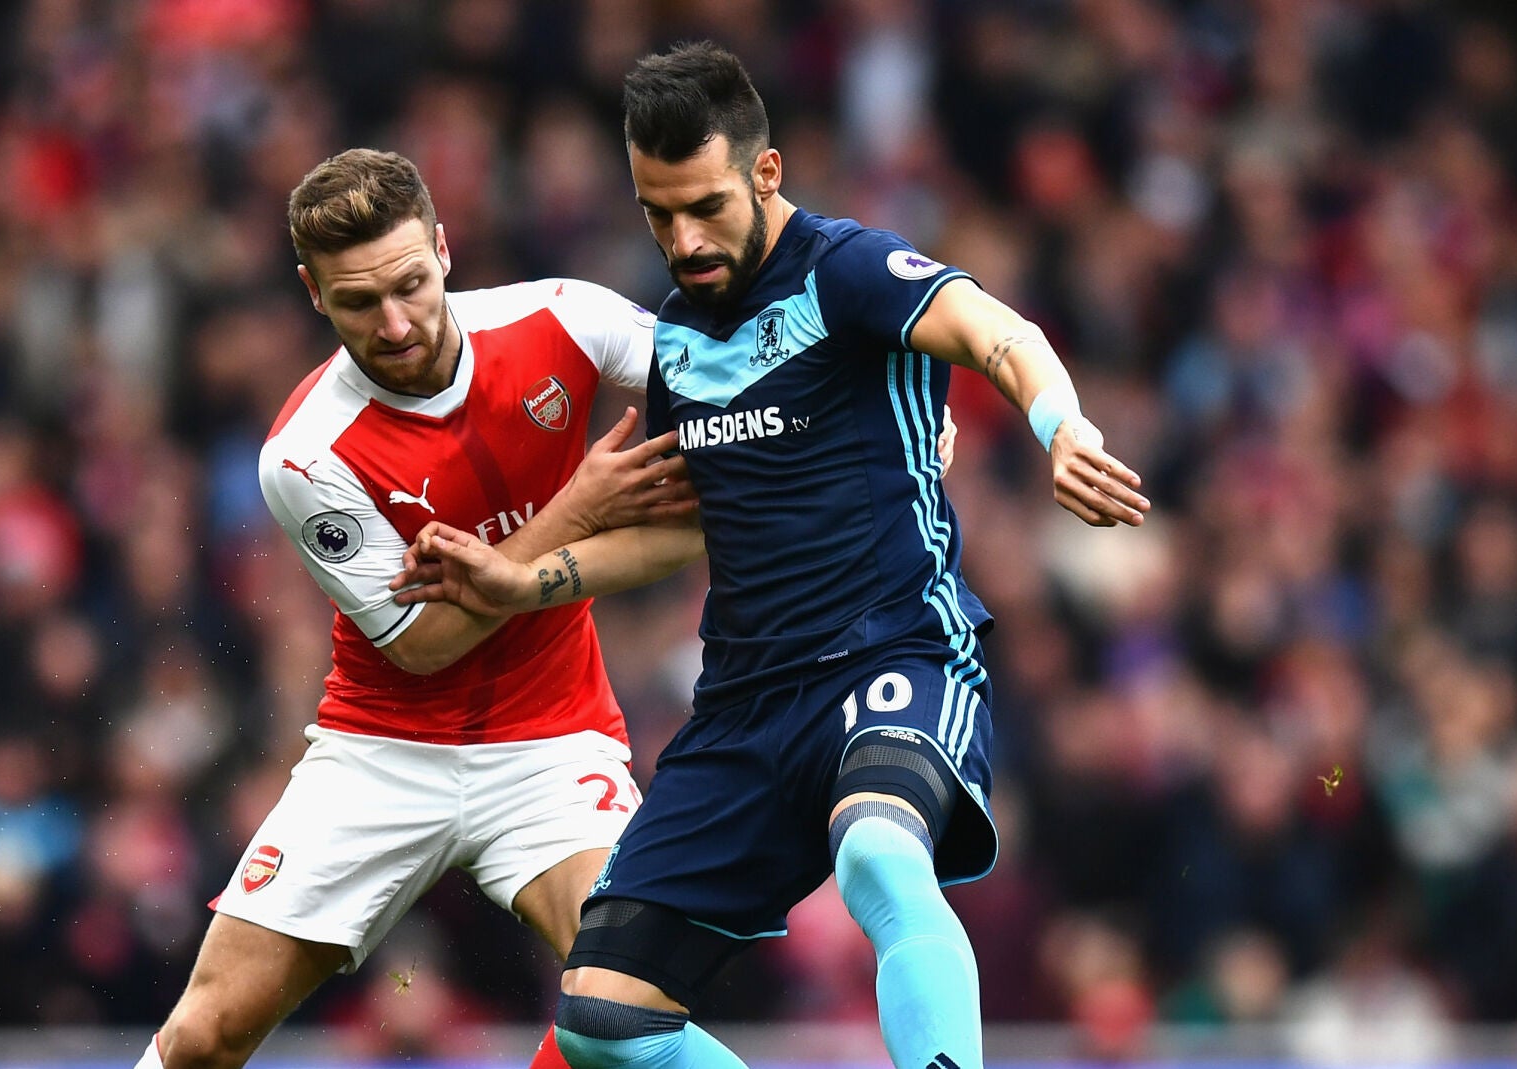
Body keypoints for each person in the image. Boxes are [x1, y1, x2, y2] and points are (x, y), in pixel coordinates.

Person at [392, 42, 1151, 1069]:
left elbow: (993, 329)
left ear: (765, 172)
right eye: (657, 212)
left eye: (703, 205)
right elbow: (684, 522)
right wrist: (523, 580)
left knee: (880, 852)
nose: (682, 237)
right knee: (600, 1019)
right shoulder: (674, 338)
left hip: (891, 655)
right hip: (745, 706)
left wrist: (1060, 424)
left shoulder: (846, 271)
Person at [133, 147, 698, 1069]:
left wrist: (868, 420)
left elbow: (737, 380)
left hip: (552, 742)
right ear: (316, 296)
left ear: (442, 249)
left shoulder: (566, 319)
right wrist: (580, 507)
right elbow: (430, 641)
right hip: (382, 753)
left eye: (409, 284)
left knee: (632, 998)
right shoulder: (307, 453)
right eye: (359, 302)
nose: (395, 323)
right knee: (202, 1038)